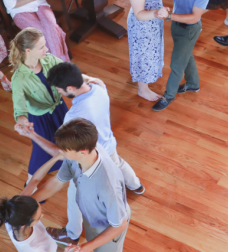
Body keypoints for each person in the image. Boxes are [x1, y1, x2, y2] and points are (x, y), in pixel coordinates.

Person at [15, 61, 144, 245]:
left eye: (59, 90)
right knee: (120, 164)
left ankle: (72, 233)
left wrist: (31, 134)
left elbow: (61, 151)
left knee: (74, 198)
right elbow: (89, 79)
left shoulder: (74, 116)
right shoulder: (99, 86)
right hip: (108, 145)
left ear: (69, 88)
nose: (59, 93)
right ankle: (136, 185)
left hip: (89, 159)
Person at [10, 28, 102, 183]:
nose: (46, 49)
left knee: (67, 143)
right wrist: (23, 123)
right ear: (28, 51)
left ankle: (72, 168)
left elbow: (68, 73)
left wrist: (88, 79)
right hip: (40, 119)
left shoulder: (50, 60)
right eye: (41, 47)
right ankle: (30, 183)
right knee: (41, 152)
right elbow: (19, 110)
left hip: (59, 110)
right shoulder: (18, 79)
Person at [25, 118, 131, 252]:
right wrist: (28, 203)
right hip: (92, 216)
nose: (60, 152)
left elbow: (119, 225)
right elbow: (57, 182)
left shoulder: (108, 185)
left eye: (64, 150)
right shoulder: (77, 156)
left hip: (110, 225)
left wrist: (84, 247)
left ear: (83, 151)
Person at [116, 0, 183, 101]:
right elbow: (139, 13)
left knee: (152, 51)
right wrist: (155, 13)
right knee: (143, 55)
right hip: (143, 23)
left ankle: (147, 77)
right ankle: (142, 89)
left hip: (154, 17)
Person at [151, 0, 213, 112]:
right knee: (185, 55)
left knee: (177, 65)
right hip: (176, 24)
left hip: (190, 29)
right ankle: (193, 84)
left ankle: (168, 96)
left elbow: (194, 16)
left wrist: (169, 16)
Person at [0, 153, 66, 252]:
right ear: (25, 224)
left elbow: (34, 180)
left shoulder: (14, 211)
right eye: (38, 218)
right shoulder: (35, 248)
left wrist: (57, 157)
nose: (42, 215)